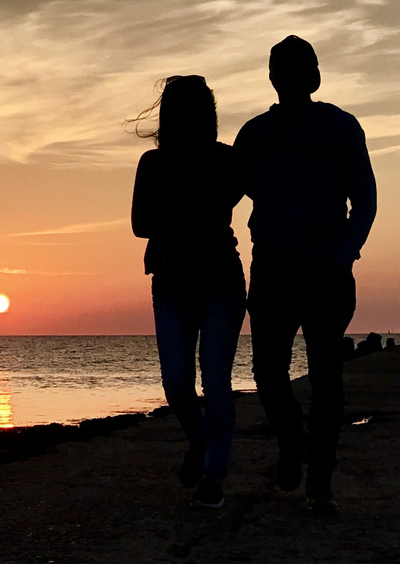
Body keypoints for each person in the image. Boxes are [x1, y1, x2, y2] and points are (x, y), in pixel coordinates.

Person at [236, 35, 376, 517]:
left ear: (315, 76)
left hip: (325, 272)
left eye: (301, 68)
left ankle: (320, 479)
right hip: (272, 271)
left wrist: (343, 256)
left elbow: (366, 200)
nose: (291, 76)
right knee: (268, 373)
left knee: (326, 377)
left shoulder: (339, 128)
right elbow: (228, 192)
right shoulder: (254, 135)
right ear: (271, 76)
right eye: (281, 68)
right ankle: (291, 441)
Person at [130, 75, 246, 510]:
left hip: (221, 281)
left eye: (197, 105)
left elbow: (261, 192)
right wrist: (189, 217)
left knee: (216, 379)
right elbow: (140, 223)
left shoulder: (226, 160)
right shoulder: (152, 163)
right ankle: (198, 443)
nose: (187, 114)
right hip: (172, 284)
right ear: (167, 113)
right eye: (179, 106)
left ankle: (215, 475)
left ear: (209, 113)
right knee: (177, 384)